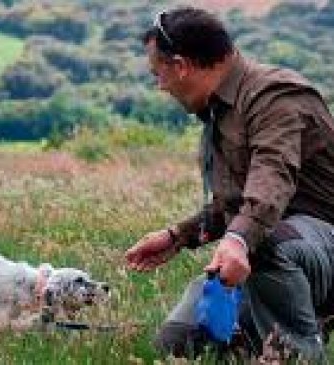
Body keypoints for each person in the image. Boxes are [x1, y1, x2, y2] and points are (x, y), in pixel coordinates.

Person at [125, 6, 334, 362]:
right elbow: (236, 204)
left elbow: (273, 178)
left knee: (262, 241)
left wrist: (238, 240)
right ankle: (251, 340)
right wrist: (178, 236)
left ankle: (295, 352)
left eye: (157, 74)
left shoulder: (275, 98)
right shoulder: (220, 111)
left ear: (180, 66)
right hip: (278, 248)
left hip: (320, 245)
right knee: (178, 344)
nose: (160, 86)